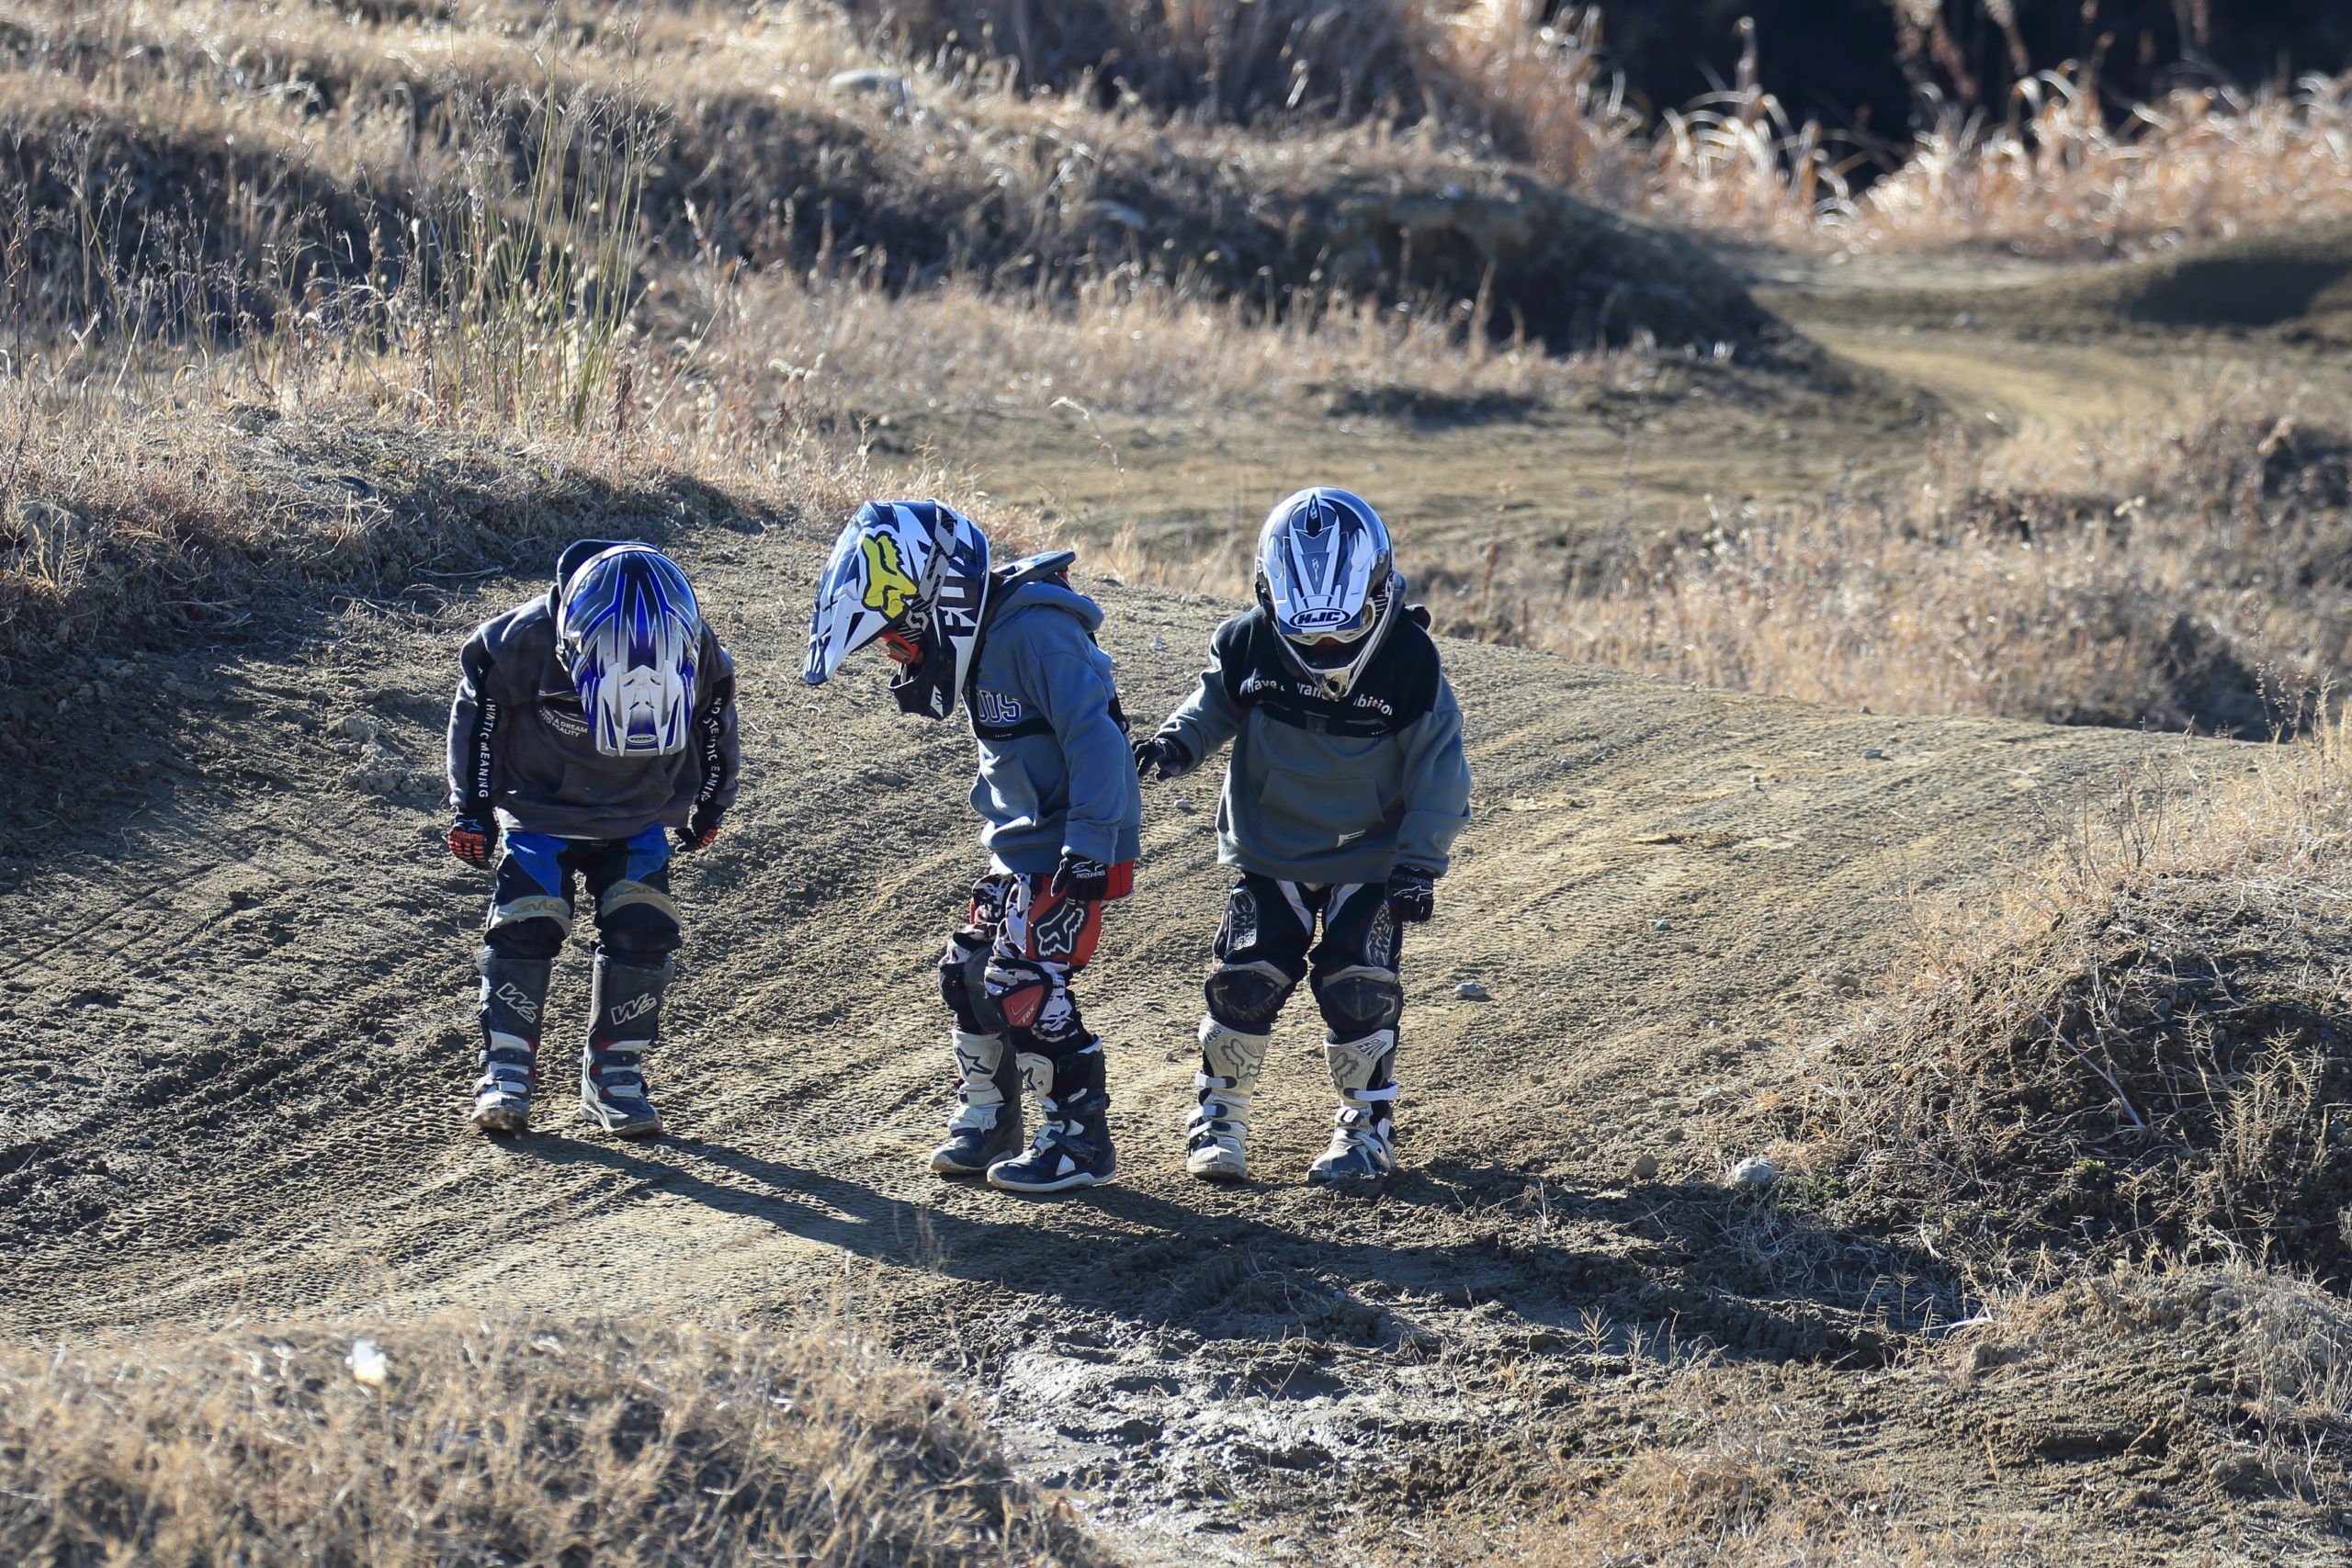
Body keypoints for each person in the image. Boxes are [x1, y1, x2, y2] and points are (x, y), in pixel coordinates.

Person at [1133, 488, 1471, 1186]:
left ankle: (1367, 1128)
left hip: (1371, 859)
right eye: (1306, 633)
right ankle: (1218, 1116)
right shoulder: (1249, 641)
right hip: (1271, 847)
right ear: (1269, 594)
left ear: (1378, 592)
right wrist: (1175, 744)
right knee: (1243, 979)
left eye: (1339, 632)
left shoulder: (1409, 660)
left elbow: (1440, 768)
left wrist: (1418, 865)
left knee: (1359, 985)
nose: (1322, 647)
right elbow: (1213, 702)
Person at [803, 502, 1141, 1194]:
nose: (897, 655)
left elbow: (1098, 736)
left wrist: (1091, 846)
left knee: (1022, 984)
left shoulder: (1036, 633)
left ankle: (1082, 1142)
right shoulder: (988, 638)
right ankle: (991, 1119)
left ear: (940, 602)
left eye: (898, 639)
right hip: (1022, 849)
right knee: (967, 971)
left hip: (1076, 845)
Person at [446, 540, 739, 1138]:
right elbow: (477, 723)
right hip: (539, 813)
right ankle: (504, 1073)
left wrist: (710, 801)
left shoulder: (702, 649)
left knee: (643, 927)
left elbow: (714, 722)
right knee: (527, 924)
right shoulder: (516, 641)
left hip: (636, 817)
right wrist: (472, 810)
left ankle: (615, 1074)